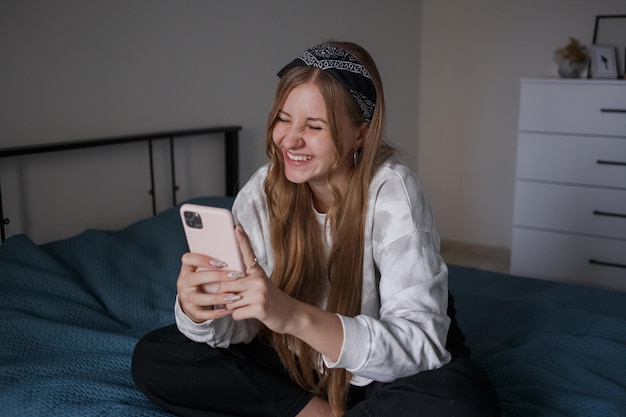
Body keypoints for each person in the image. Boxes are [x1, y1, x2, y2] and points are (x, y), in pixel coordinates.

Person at [132, 40, 500, 417]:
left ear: (361, 134)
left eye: (315, 126)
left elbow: (418, 346)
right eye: (283, 118)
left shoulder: (392, 192)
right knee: (158, 356)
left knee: (461, 402)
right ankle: (316, 412)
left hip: (381, 365)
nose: (290, 140)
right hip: (299, 363)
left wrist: (290, 315)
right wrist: (202, 312)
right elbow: (240, 331)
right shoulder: (262, 192)